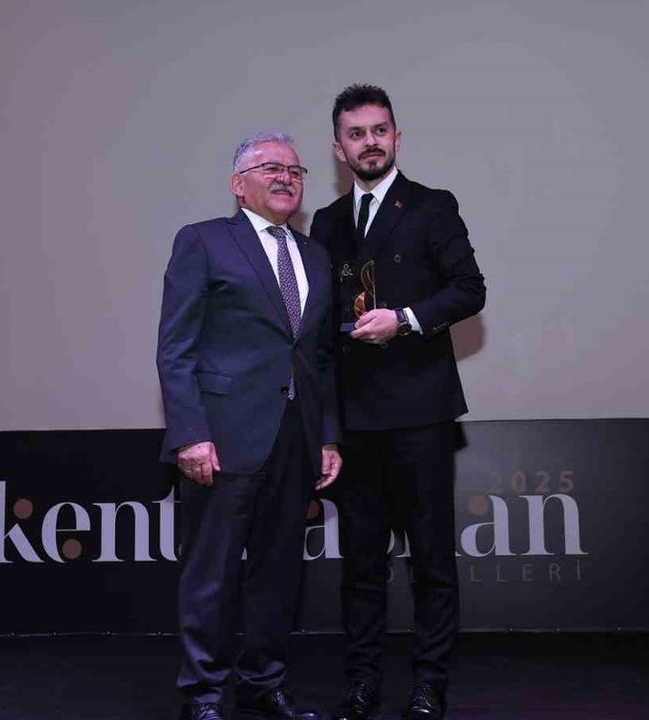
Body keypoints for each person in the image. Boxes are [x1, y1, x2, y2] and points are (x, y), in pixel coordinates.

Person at [309, 85, 486, 720]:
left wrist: (405, 319)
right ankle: (362, 685)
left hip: (420, 416)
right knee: (360, 566)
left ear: (397, 136)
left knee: (432, 562)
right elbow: (319, 331)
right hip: (354, 422)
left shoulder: (433, 206)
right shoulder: (326, 223)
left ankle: (429, 685)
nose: (370, 142)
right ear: (339, 148)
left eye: (379, 130)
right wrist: (324, 427)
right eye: (356, 134)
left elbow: (469, 289)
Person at [157, 131, 342, 720]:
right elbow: (176, 349)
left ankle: (264, 683)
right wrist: (190, 433)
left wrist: (328, 435)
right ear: (239, 185)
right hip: (223, 437)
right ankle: (203, 695)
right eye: (270, 168)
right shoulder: (204, 241)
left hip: (296, 437)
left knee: (278, 572)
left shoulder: (315, 256)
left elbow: (318, 358)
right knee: (211, 574)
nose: (286, 177)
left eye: (295, 170)